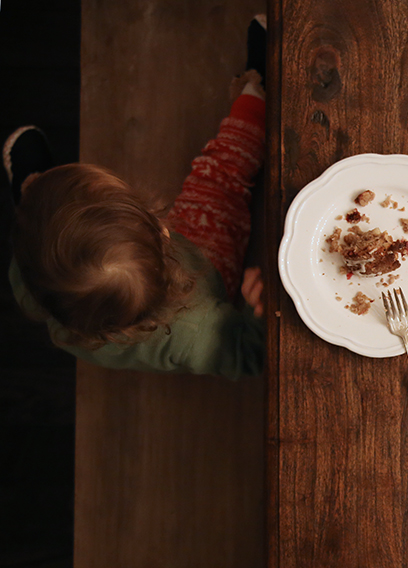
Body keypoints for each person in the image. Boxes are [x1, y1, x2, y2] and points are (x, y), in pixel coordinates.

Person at [4, 16, 268, 380]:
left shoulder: (36, 282)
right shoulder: (196, 330)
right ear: (162, 232)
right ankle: (257, 90)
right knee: (221, 175)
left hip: (56, 271)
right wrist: (260, 317)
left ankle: (33, 196)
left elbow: (34, 262)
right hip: (208, 262)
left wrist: (36, 213)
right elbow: (250, 356)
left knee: (44, 222)